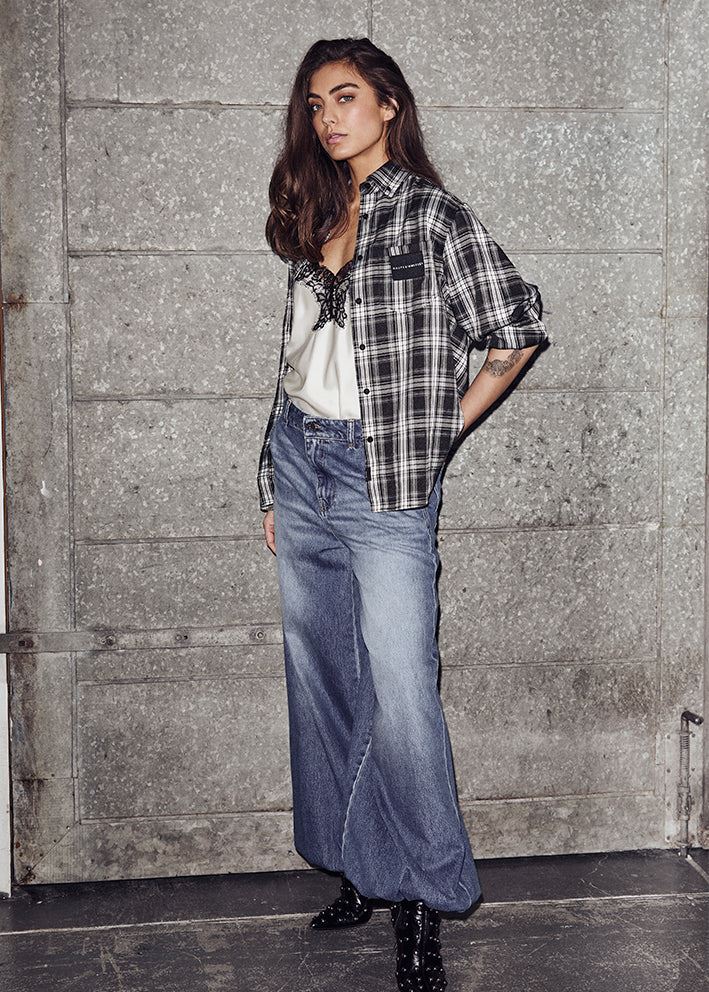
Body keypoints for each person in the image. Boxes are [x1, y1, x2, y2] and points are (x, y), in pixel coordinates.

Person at [256, 36, 549, 992]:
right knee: (324, 677)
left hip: (382, 477)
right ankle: (361, 864)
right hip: (301, 460)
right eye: (314, 104)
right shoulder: (317, 209)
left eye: (344, 97)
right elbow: (298, 356)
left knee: (402, 692)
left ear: (388, 105)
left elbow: (514, 329)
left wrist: (437, 432)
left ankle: (419, 895)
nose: (327, 117)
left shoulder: (430, 213)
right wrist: (273, 479)